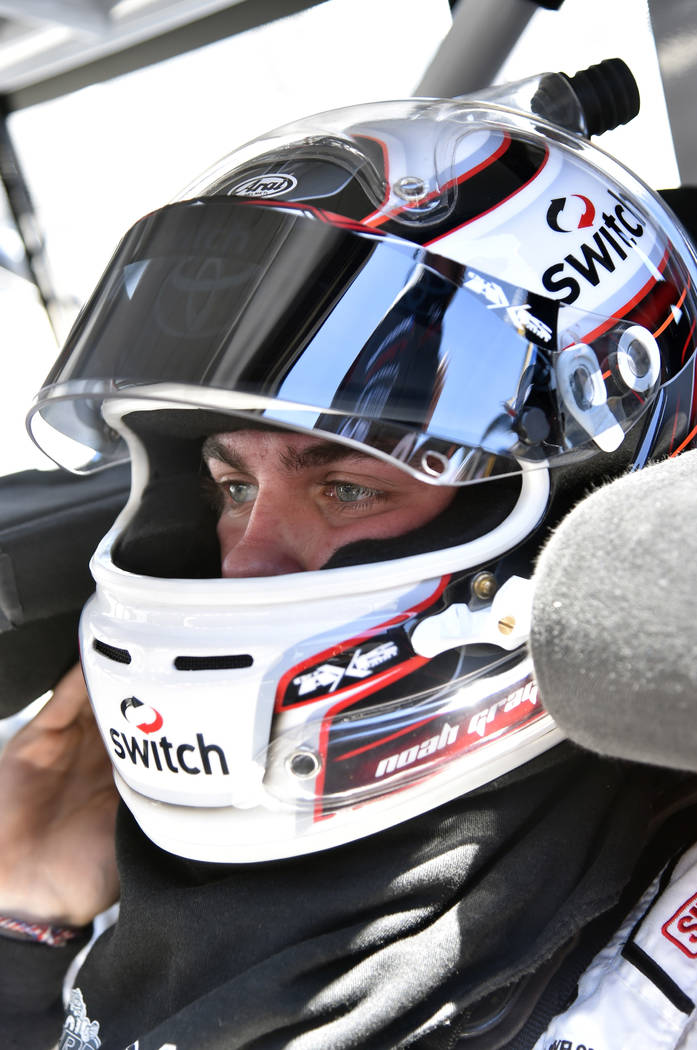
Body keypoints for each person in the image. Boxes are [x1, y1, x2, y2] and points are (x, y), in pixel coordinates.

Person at [2, 67, 697, 1050]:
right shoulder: (103, 898)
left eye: (347, 488)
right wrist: (26, 926)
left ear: (584, 508)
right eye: (230, 488)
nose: (244, 565)